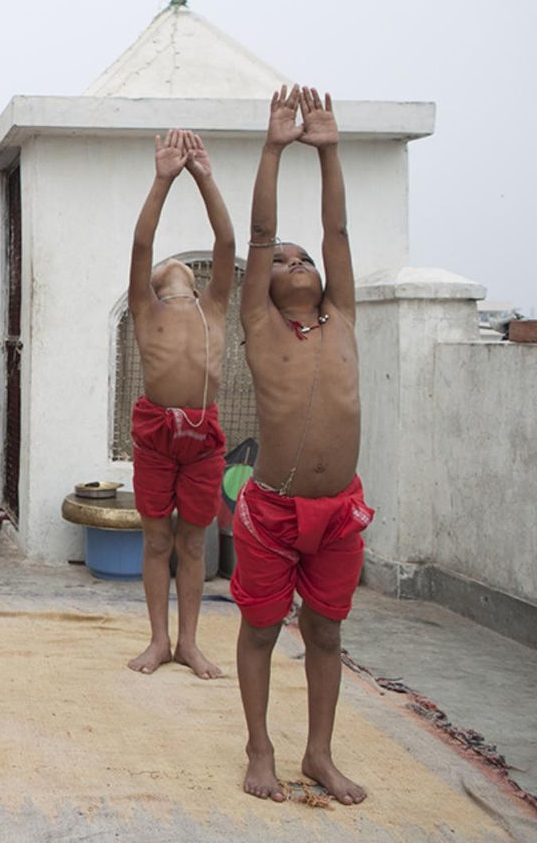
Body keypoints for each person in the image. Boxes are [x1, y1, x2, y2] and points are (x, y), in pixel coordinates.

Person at [233, 86, 371, 805]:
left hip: (339, 512)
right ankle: (260, 746)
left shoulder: (341, 316)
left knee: (325, 632)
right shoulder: (260, 325)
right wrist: (272, 148)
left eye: (302, 259)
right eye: (281, 260)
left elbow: (338, 231)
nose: (293, 262)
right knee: (259, 629)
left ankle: (319, 753)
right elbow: (260, 236)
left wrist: (331, 151)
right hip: (274, 508)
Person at [126, 129, 234, 679]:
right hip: (156, 433)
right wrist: (163, 178)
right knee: (156, 539)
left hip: (203, 435)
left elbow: (226, 244)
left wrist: (203, 175)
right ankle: (157, 640)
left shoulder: (212, 306)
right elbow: (143, 244)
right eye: (161, 266)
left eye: (182, 267)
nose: (171, 264)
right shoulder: (146, 309)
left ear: (195, 283)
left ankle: (189, 642)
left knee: (193, 541)